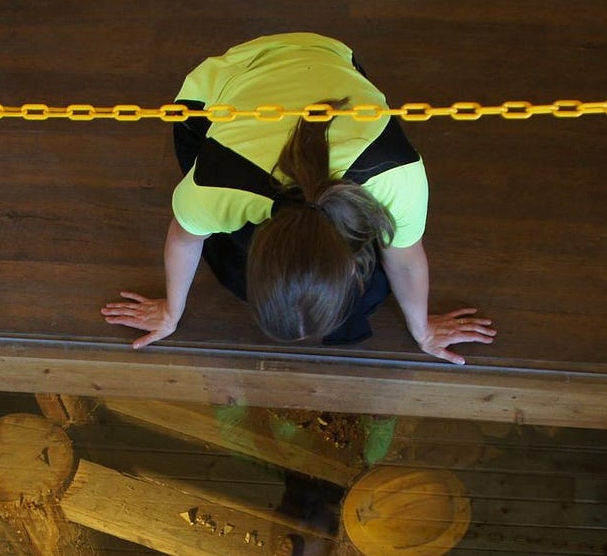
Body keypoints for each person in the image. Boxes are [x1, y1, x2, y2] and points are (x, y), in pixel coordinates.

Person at [101, 33, 494, 364]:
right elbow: (185, 239)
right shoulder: (216, 185)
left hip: (330, 57)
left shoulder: (396, 178)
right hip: (224, 85)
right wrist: (170, 312)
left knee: (368, 295)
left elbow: (406, 260)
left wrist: (423, 329)